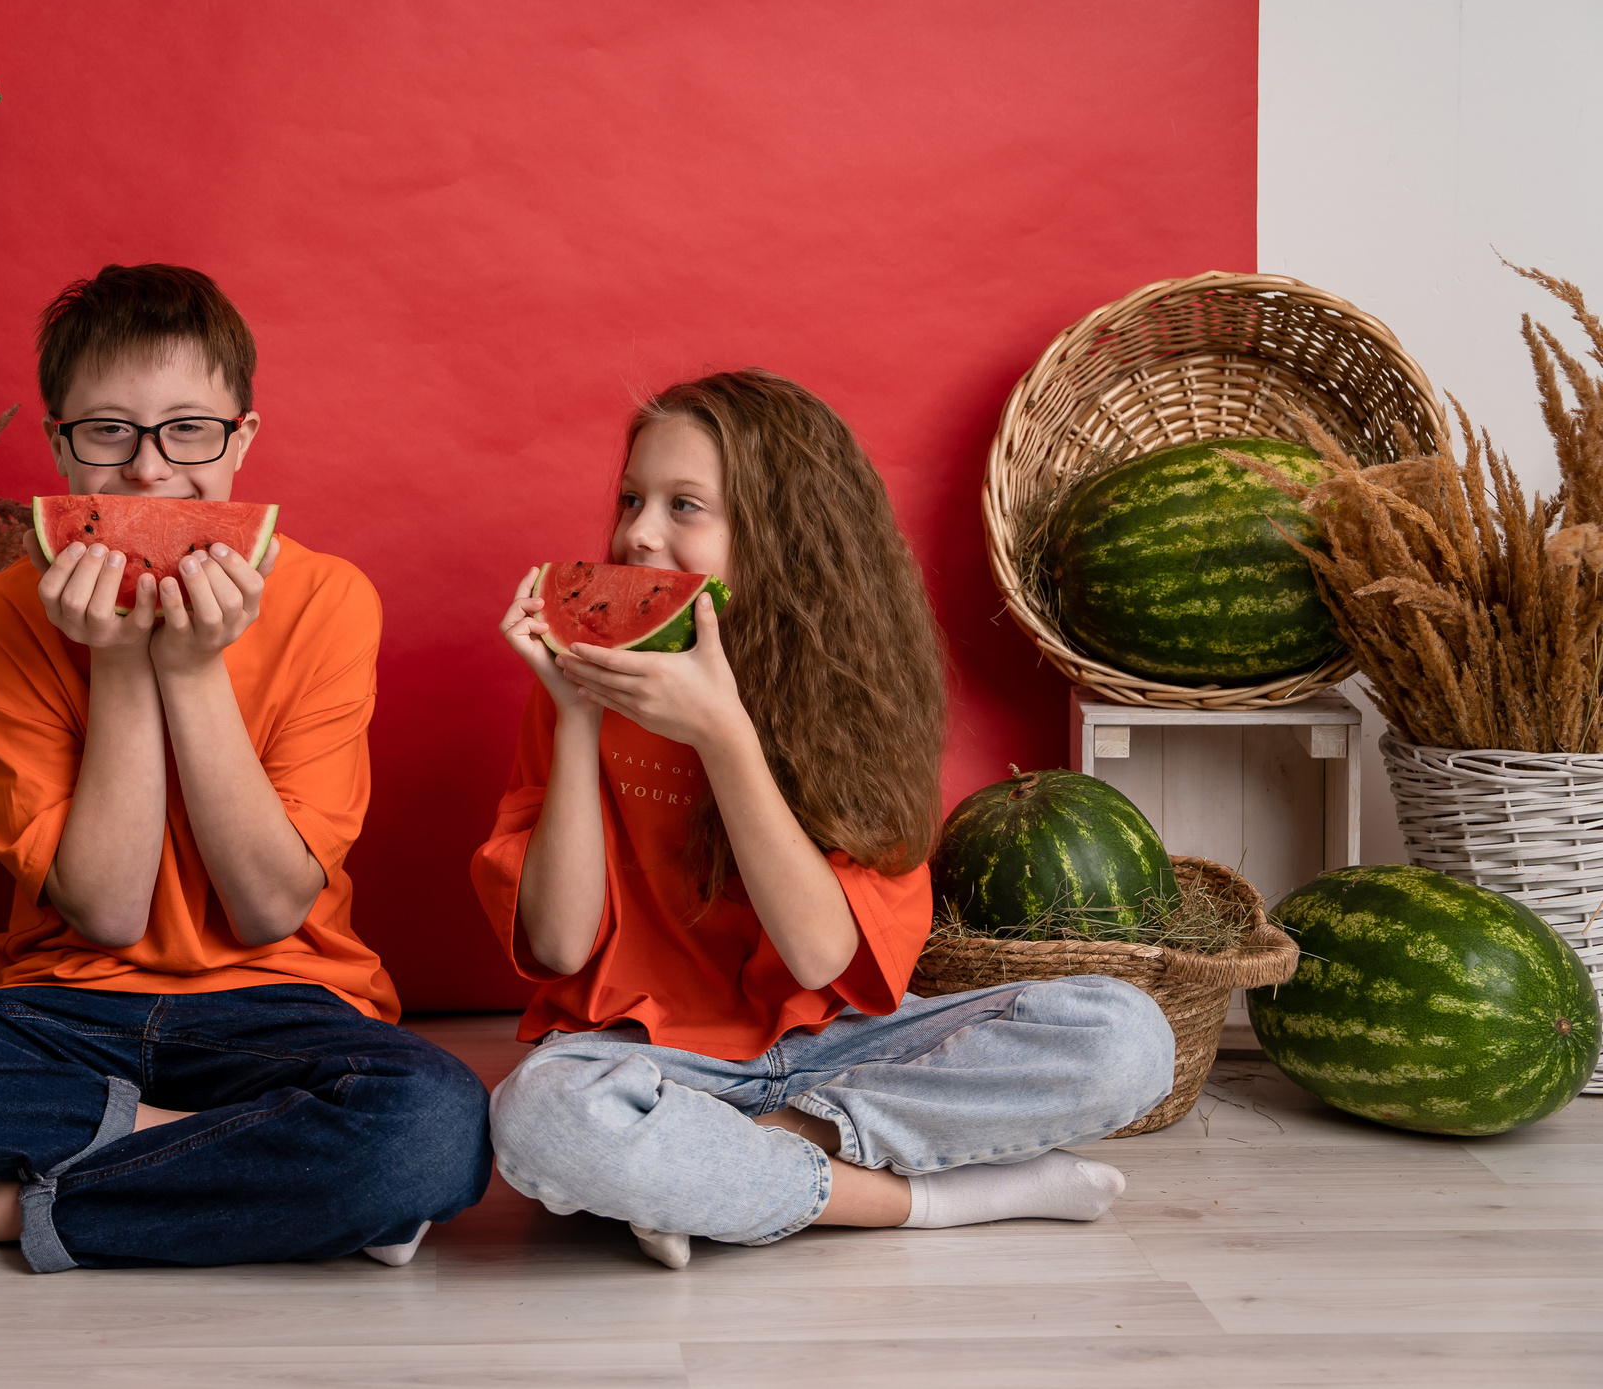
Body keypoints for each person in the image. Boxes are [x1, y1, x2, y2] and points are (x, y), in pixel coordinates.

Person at [0, 263, 490, 1274]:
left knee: (435, 1125)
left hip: (285, 1011)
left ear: (243, 436)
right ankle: (250, 1159)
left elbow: (267, 909)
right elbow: (111, 912)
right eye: (110, 431)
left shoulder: (328, 599)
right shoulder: (1, 614)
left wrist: (190, 668)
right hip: (55, 1013)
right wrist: (119, 658)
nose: (150, 472)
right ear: (59, 442)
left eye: (189, 429)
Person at [475, 369, 1173, 1269]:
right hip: (647, 1056)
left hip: (845, 1048)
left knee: (1125, 1036)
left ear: (782, 532)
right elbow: (561, 944)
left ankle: (727, 1166)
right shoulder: (583, 683)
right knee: (537, 1117)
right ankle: (926, 1199)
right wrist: (575, 717)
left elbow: (818, 957)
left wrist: (724, 736)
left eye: (685, 505)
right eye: (631, 498)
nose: (638, 532)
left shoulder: (856, 689)